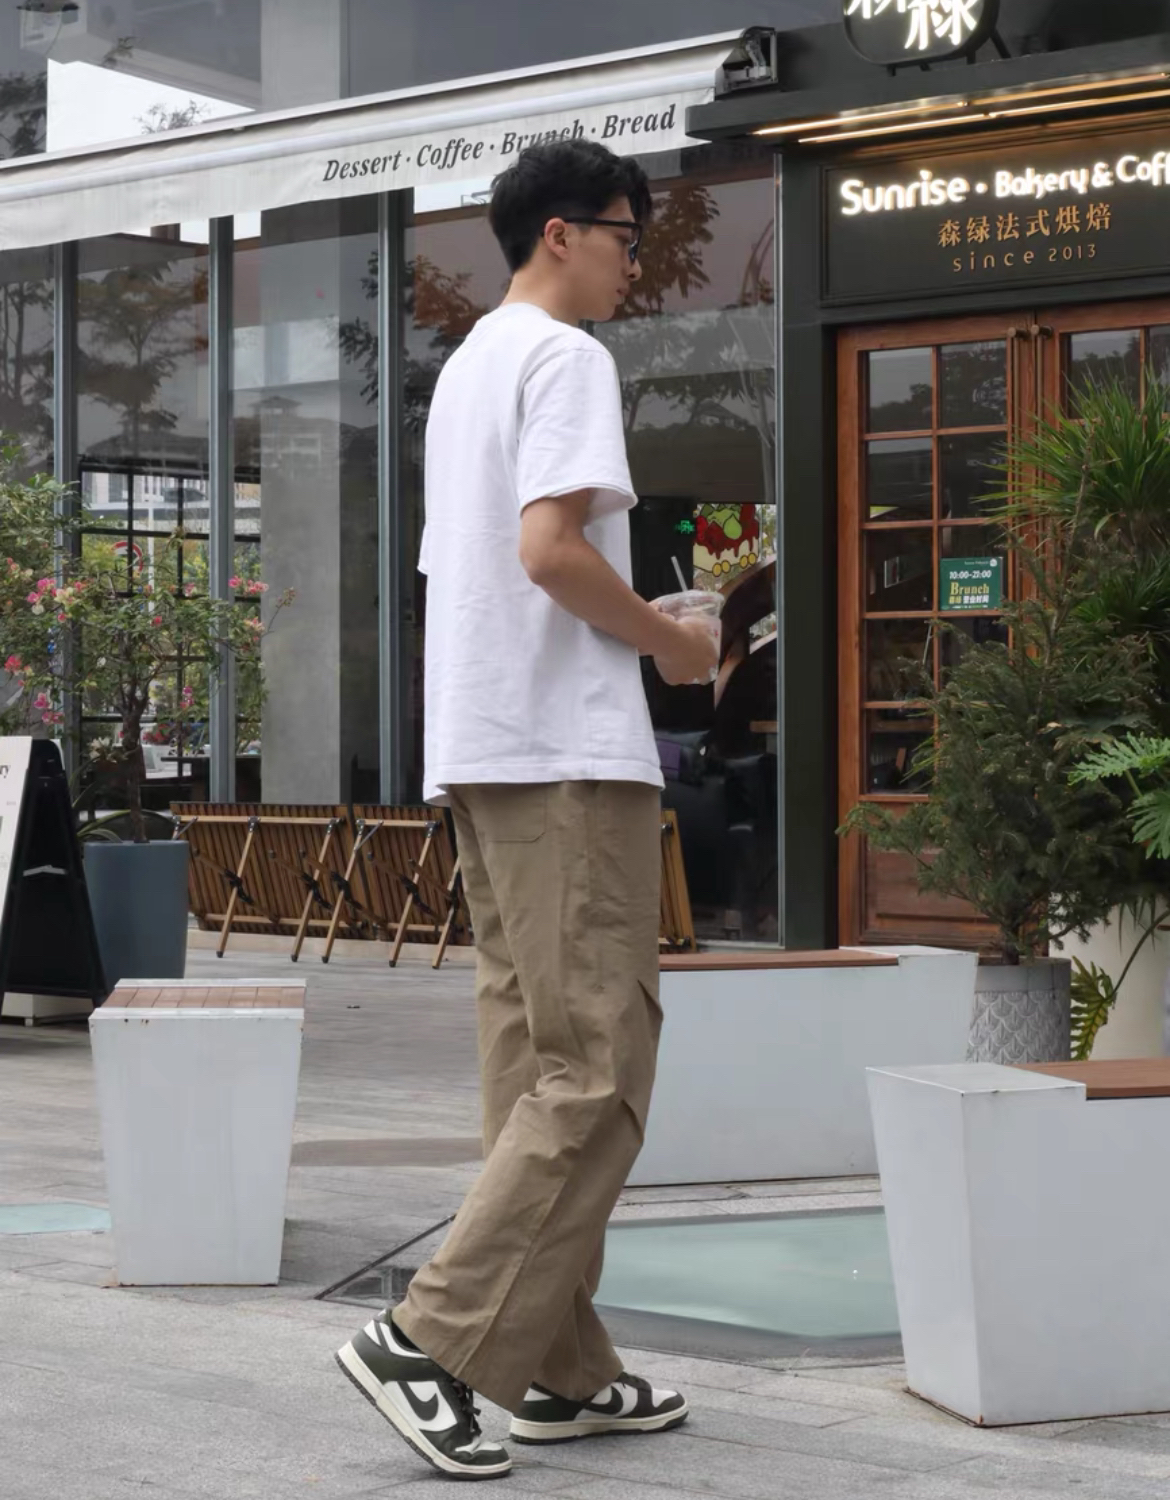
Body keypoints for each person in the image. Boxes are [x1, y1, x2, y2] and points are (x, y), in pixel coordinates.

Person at [335, 138, 719, 1480]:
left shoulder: (467, 370)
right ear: (560, 233)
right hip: (565, 755)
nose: (634, 263)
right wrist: (674, 645)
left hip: (487, 748)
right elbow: (549, 552)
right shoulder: (564, 359)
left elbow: (482, 570)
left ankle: (559, 1368)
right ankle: (426, 1342)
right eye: (624, 235)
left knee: (532, 1069)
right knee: (598, 1071)